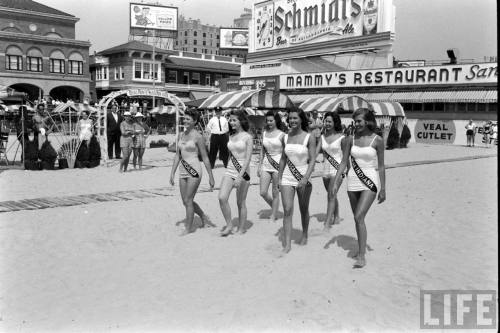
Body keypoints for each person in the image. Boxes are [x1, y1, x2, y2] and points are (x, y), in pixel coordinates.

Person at [332, 108, 386, 268]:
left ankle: (362, 256)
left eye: (359, 121)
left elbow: (381, 166)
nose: (356, 124)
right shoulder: (350, 139)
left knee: (358, 216)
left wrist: (383, 189)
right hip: (352, 180)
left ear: (368, 121)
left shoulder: (377, 140)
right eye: (354, 121)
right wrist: (336, 182)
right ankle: (361, 248)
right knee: (358, 218)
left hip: (370, 181)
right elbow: (343, 163)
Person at [170, 110, 215, 235]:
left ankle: (188, 228)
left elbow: (205, 157)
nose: (185, 121)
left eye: (188, 119)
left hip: (194, 169)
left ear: (195, 121)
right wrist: (172, 173)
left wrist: (211, 176)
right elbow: (177, 156)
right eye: (184, 118)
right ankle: (203, 216)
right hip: (183, 169)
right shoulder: (181, 135)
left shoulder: (198, 136)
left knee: (188, 200)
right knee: (185, 201)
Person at [278, 108, 316, 253]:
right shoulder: (285, 137)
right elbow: (283, 159)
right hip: (287, 176)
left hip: (303, 177)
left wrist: (305, 178)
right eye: (290, 118)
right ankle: (287, 244)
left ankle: (305, 233)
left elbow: (312, 160)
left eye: (295, 118)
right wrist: (279, 177)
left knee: (303, 208)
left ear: (301, 119)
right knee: (287, 209)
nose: (292, 121)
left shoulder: (309, 137)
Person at [218, 109, 253, 236]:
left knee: (240, 202)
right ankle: (229, 225)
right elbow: (230, 154)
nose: (231, 122)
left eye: (234, 120)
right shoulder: (231, 136)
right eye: (230, 120)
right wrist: (227, 167)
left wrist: (239, 177)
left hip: (243, 173)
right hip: (230, 170)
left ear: (241, 121)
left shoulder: (248, 137)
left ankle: (242, 228)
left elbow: (248, 159)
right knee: (222, 198)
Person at [316, 112, 347, 230]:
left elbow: (345, 156)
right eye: (326, 121)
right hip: (325, 170)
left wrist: (348, 169)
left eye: (329, 121)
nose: (327, 123)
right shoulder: (322, 137)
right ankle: (337, 216)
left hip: (337, 170)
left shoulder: (342, 137)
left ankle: (327, 223)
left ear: (335, 123)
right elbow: (316, 152)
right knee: (332, 195)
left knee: (330, 195)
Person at [257, 111, 285, 221]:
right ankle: (275, 208)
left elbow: (285, 153)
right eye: (267, 120)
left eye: (271, 120)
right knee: (263, 192)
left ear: (276, 121)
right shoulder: (264, 133)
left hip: (278, 166)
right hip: (265, 165)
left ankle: (273, 214)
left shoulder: (282, 135)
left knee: (275, 192)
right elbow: (262, 150)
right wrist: (259, 165)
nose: (269, 123)